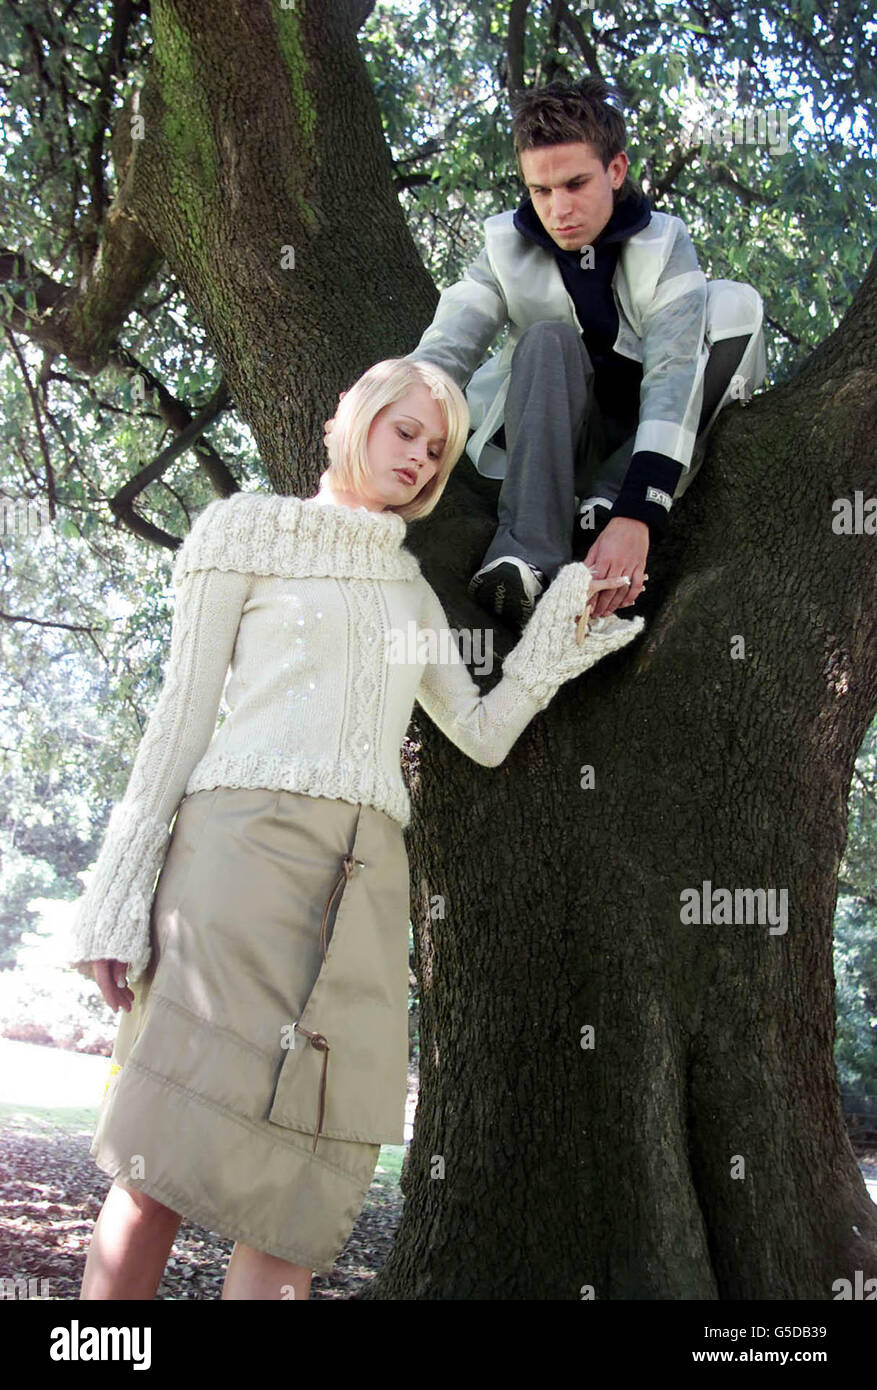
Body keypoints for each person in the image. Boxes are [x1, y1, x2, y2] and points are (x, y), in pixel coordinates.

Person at [67, 357, 643, 1302]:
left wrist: (553, 641)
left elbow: (482, 736)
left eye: (438, 449)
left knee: (303, 1185)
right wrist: (114, 899)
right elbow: (179, 721)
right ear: (355, 418)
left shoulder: (413, 593)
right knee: (156, 1164)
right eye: (404, 431)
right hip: (231, 867)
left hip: (364, 889)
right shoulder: (244, 530)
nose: (418, 457)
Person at [400, 75, 767, 629]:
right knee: (546, 336)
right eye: (540, 191)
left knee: (735, 304)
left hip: (640, 446)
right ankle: (525, 554)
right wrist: (379, 407)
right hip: (547, 442)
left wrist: (637, 515)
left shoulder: (664, 243)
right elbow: (450, 343)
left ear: (615, 171)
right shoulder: (504, 246)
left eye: (575, 184)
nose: (557, 208)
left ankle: (610, 498)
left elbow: (672, 375)